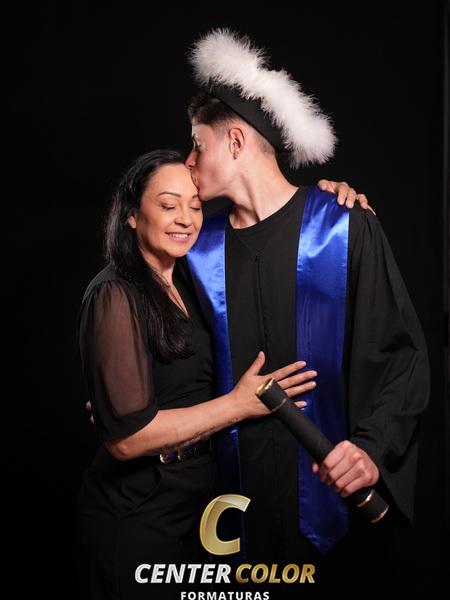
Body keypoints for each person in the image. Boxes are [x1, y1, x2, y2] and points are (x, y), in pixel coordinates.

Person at [181, 29, 430, 591]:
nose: (188, 161)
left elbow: (401, 361)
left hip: (336, 525)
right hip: (230, 528)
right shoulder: (196, 254)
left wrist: (371, 450)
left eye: (198, 144)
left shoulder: (342, 228)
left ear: (236, 141)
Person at [77, 149, 321, 599]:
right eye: (168, 205)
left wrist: (330, 201)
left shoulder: (191, 281)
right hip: (140, 511)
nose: (185, 219)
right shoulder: (115, 294)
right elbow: (127, 440)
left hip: (199, 506)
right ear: (131, 214)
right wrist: (238, 406)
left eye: (194, 205)